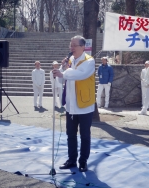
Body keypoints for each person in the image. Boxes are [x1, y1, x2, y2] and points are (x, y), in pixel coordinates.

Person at [52, 35, 95, 172]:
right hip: (70, 105)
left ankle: (83, 161)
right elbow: (63, 79)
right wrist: (61, 70)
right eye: (70, 45)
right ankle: (71, 159)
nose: (72, 48)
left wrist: (64, 73)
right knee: (70, 134)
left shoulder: (89, 61)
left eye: (74, 45)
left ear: (83, 47)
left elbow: (80, 75)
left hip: (84, 106)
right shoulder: (70, 60)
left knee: (85, 135)